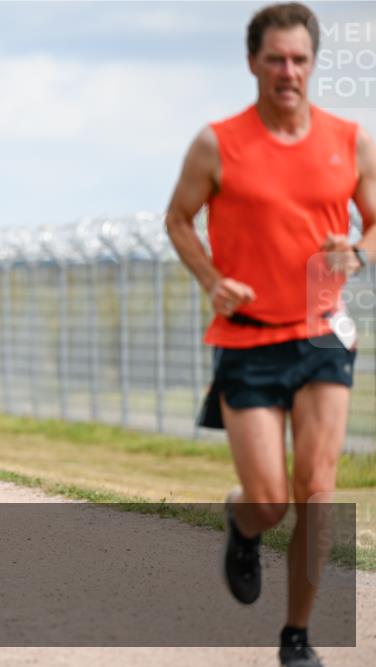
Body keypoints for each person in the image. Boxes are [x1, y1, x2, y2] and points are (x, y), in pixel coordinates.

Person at [165, 4, 375, 665]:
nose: (289, 71)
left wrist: (359, 252)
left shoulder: (350, 139)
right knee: (271, 499)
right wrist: (212, 279)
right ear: (253, 62)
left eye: (300, 59)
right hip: (247, 337)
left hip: (321, 332)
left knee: (316, 489)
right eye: (276, 58)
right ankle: (241, 521)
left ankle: (297, 636)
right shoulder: (217, 143)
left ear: (313, 63)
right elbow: (177, 219)